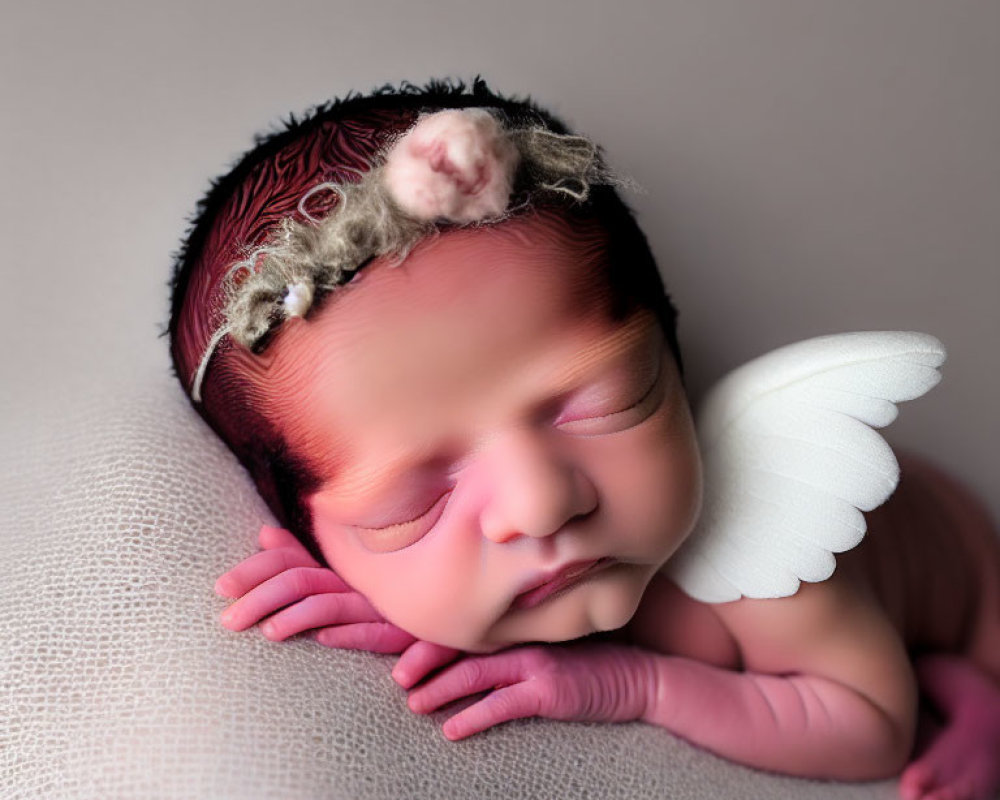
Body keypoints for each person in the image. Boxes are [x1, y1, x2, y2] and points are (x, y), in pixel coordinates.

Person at [169, 80, 1000, 800]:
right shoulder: (507, 555)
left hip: (973, 582)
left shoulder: (761, 568)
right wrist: (387, 599)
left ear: (673, 360)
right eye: (406, 507)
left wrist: (633, 684)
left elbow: (869, 724)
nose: (541, 499)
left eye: (609, 403)